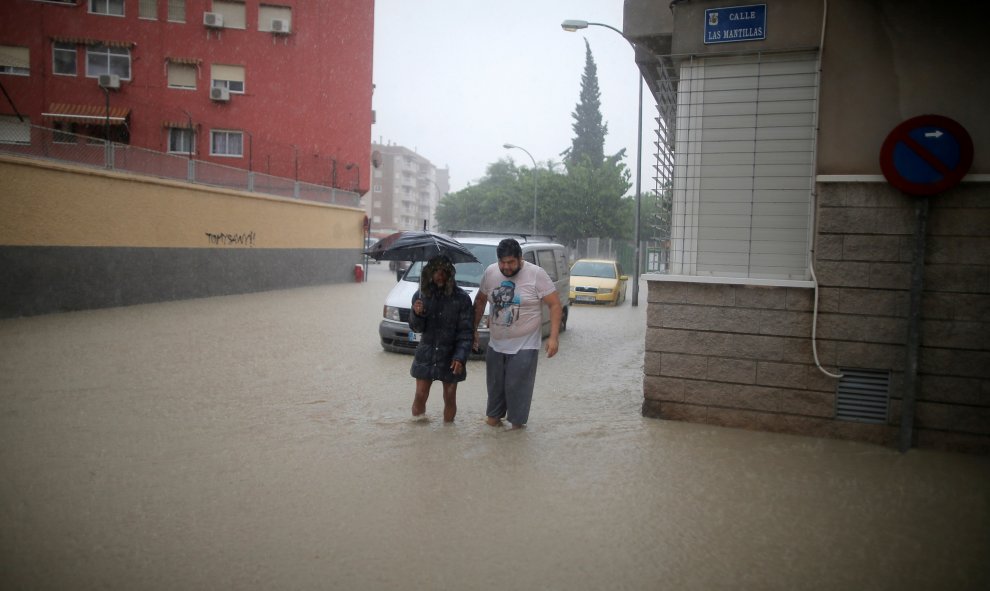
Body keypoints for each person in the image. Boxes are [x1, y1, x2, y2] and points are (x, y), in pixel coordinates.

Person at [472, 238, 562, 429]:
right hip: (496, 345)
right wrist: (472, 330)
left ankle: (516, 439)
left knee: (516, 397)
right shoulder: (490, 272)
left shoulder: (536, 274)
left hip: (525, 346)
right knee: (493, 404)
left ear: (520, 259)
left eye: (511, 262)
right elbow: (480, 301)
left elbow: (554, 304)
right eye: (502, 262)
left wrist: (554, 338)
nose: (506, 267)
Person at [408, 255, 474, 422]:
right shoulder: (421, 296)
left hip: (451, 355)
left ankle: (448, 431)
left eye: (444, 271)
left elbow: (466, 333)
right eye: (436, 271)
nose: (440, 275)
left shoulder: (462, 299)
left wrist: (460, 357)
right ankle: (417, 431)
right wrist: (417, 314)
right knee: (420, 395)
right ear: (429, 273)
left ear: (450, 274)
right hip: (426, 352)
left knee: (450, 397)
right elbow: (416, 328)